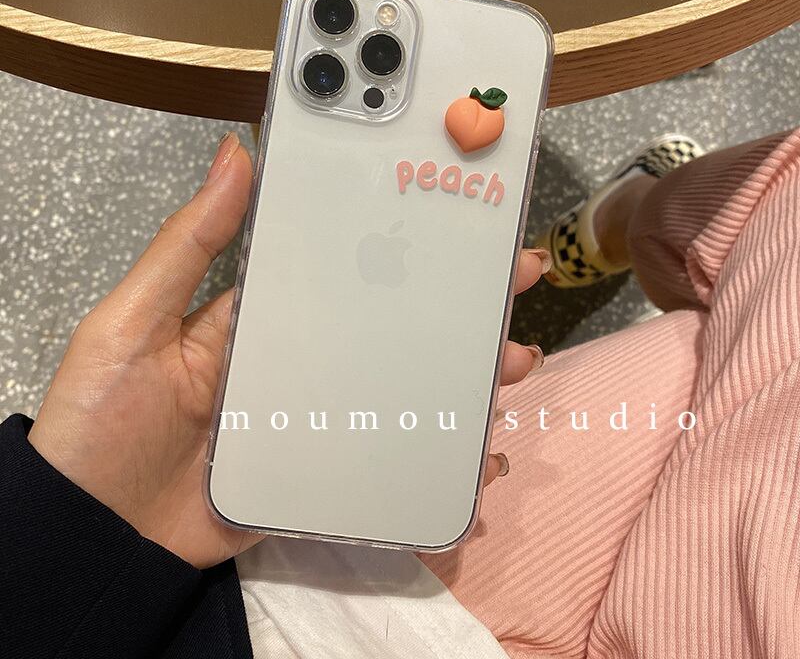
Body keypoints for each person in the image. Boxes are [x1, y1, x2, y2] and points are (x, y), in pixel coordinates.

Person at [2, 126, 799, 657]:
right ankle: (610, 229)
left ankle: (613, 226)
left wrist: (77, 526)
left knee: (769, 216)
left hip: (299, 609)